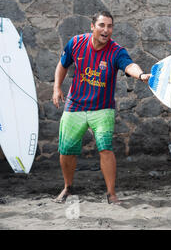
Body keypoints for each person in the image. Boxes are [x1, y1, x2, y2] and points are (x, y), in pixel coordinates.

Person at [52, 11, 151, 205]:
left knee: (105, 148)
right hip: (75, 104)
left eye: (110, 26)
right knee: (66, 150)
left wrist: (140, 75)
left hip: (102, 107)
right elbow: (62, 65)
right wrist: (56, 88)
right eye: (102, 25)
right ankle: (67, 187)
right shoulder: (76, 43)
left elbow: (129, 65)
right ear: (92, 26)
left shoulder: (116, 51)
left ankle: (111, 194)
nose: (106, 30)